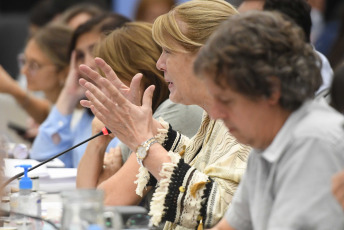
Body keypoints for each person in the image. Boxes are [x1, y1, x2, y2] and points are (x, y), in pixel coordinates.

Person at [78, 0, 251, 229]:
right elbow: (195, 167)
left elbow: (215, 210)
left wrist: (144, 141)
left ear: (208, 57)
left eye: (168, 51)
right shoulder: (214, 120)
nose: (160, 64)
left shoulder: (248, 122)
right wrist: (149, 130)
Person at [192, 10, 344, 230]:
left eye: (227, 101)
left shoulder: (313, 141)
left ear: (272, 90)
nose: (215, 113)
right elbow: (231, 226)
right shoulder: (267, 140)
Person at [76, 22, 203, 207]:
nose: (103, 87)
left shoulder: (176, 111)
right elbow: (84, 195)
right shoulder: (141, 121)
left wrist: (108, 178)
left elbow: (104, 202)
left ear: (140, 74)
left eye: (110, 76)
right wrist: (98, 139)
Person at [30, 13, 130, 168]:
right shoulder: (89, 114)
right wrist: (68, 95)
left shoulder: (137, 112)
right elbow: (41, 165)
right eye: (80, 56)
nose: (87, 63)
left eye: (95, 50)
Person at [0, 23, 72, 125]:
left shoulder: (77, 115)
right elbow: (46, 113)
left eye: (34, 65)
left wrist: (12, 88)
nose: (23, 71)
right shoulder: (57, 104)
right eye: (24, 61)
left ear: (64, 72)